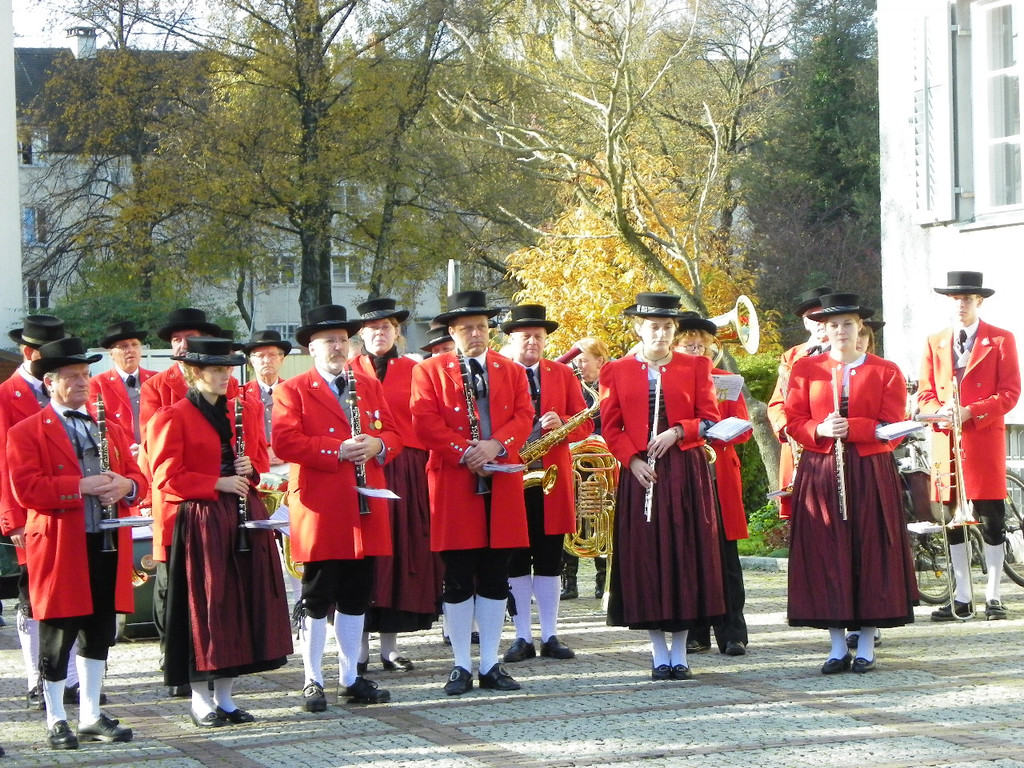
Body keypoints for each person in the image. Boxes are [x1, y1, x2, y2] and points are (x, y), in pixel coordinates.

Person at [147, 337, 292, 727]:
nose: (225, 376)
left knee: (237, 606)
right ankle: (200, 700)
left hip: (242, 514)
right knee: (207, 607)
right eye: (215, 369)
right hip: (202, 520)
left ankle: (226, 699)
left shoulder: (241, 408)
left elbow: (259, 461)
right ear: (195, 372)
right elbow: (166, 478)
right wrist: (216, 482)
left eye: (227, 369)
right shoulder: (171, 416)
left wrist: (251, 468)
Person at [8, 337, 145, 748]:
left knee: (99, 630)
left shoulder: (110, 428)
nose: (83, 382)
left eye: (86, 375)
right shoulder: (26, 431)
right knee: (58, 632)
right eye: (72, 376)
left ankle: (89, 714)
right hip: (60, 546)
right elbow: (26, 489)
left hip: (106, 542)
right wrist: (79, 486)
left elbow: (138, 477)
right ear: (50, 382)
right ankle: (55, 718)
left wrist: (126, 485)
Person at [273, 304, 402, 710]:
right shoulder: (293, 389)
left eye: (342, 340)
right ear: (311, 348)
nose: (337, 347)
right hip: (322, 505)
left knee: (356, 594)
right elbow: (285, 442)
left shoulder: (368, 385)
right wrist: (337, 450)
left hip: (366, 503)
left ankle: (350, 677)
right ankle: (312, 679)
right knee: (317, 594)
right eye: (328, 341)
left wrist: (379, 444)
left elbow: (395, 433)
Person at [784, 292, 917, 673]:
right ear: (823, 330)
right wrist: (819, 429)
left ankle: (867, 643)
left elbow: (893, 426)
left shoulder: (885, 370)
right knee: (828, 551)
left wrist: (854, 428)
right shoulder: (805, 369)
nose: (840, 331)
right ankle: (837, 645)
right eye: (833, 325)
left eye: (847, 324)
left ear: (860, 328)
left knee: (870, 550)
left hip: (869, 470)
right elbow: (793, 420)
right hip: (822, 469)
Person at [410, 290, 534, 696]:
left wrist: (496, 445)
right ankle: (461, 664)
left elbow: (524, 415)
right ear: (452, 332)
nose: (477, 333)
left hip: (502, 480)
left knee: (497, 575)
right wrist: (466, 452)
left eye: (481, 327)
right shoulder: (429, 370)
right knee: (459, 576)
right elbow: (423, 421)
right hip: (454, 482)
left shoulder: (510, 369)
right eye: (467, 328)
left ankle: (490, 663)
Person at [601, 292, 725, 681]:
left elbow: (709, 418)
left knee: (684, 553)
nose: (661, 333)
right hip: (643, 474)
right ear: (639, 329)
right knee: (647, 556)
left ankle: (681, 651)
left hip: (684, 470)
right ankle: (658, 651)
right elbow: (611, 427)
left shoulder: (696, 366)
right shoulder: (616, 370)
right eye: (654, 327)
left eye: (668, 327)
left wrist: (678, 431)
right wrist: (632, 461)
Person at [918, 271, 1021, 621]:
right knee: (951, 519)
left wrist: (971, 411)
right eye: (955, 299)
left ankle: (993, 596)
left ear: (979, 301)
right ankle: (962, 596)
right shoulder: (934, 341)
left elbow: (1010, 393)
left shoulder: (1001, 339)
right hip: (945, 439)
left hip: (982, 438)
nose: (960, 304)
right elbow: (925, 392)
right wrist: (940, 411)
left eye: (967, 299)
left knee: (992, 519)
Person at [139, 307, 228, 697]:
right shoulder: (162, 397)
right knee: (178, 593)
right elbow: (159, 463)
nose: (181, 344)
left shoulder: (230, 395)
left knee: (222, 597)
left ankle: (220, 682)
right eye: (176, 340)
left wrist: (245, 471)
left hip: (222, 511)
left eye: (188, 338)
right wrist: (215, 482)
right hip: (182, 508)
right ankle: (182, 670)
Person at [351, 297, 441, 673]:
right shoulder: (348, 370)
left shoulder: (415, 369)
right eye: (372, 328)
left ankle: (390, 647)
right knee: (363, 556)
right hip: (360, 468)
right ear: (361, 333)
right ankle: (357, 650)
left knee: (401, 555)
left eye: (386, 327)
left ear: (397, 332)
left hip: (407, 469)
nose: (379, 333)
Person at [499, 304, 592, 665]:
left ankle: (550, 634)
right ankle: (522, 636)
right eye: (526, 336)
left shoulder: (562, 373)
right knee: (516, 558)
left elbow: (585, 425)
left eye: (538, 336)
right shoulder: (498, 372)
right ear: (512, 339)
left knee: (551, 557)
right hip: (510, 477)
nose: (533, 342)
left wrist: (563, 421)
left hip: (551, 479)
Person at [0, 315, 81, 710]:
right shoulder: (6, 395)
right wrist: (11, 518)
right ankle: (37, 677)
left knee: (73, 591)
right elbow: (2, 463)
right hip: (29, 510)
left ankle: (72, 679)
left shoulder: (67, 390)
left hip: (73, 510)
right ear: (29, 353)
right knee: (33, 594)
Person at [674, 313, 752, 657]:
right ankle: (696, 632)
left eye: (701, 345)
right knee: (689, 555)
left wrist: (720, 430)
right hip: (684, 475)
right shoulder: (669, 381)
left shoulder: (726, 381)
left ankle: (733, 632)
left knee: (726, 558)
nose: (696, 349)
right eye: (689, 344)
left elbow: (745, 428)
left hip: (718, 475)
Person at [767, 287, 833, 520]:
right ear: (805, 323)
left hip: (832, 439)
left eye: (824, 316)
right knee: (804, 515)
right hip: (798, 441)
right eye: (813, 318)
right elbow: (777, 401)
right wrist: (787, 428)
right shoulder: (792, 355)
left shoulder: (845, 352)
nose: (819, 323)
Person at [561, 336, 610, 601]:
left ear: (600, 361)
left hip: (602, 462)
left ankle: (603, 579)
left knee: (599, 515)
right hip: (574, 461)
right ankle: (569, 581)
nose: (577, 366)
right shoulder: (572, 385)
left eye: (583, 361)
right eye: (576, 361)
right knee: (572, 517)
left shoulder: (610, 386)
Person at [89, 321, 155, 449]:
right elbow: (100, 424)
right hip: (121, 453)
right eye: (124, 346)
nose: (131, 350)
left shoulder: (156, 380)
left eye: (135, 344)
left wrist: (146, 449)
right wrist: (130, 449)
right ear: (111, 353)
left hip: (153, 451)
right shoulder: (97, 384)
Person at [240, 330, 292, 471]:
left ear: (282, 358)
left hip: (289, 465)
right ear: (251, 360)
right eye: (260, 356)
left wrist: (282, 452)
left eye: (272, 355)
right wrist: (263, 453)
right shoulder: (240, 396)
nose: (267, 360)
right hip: (254, 468)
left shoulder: (294, 392)